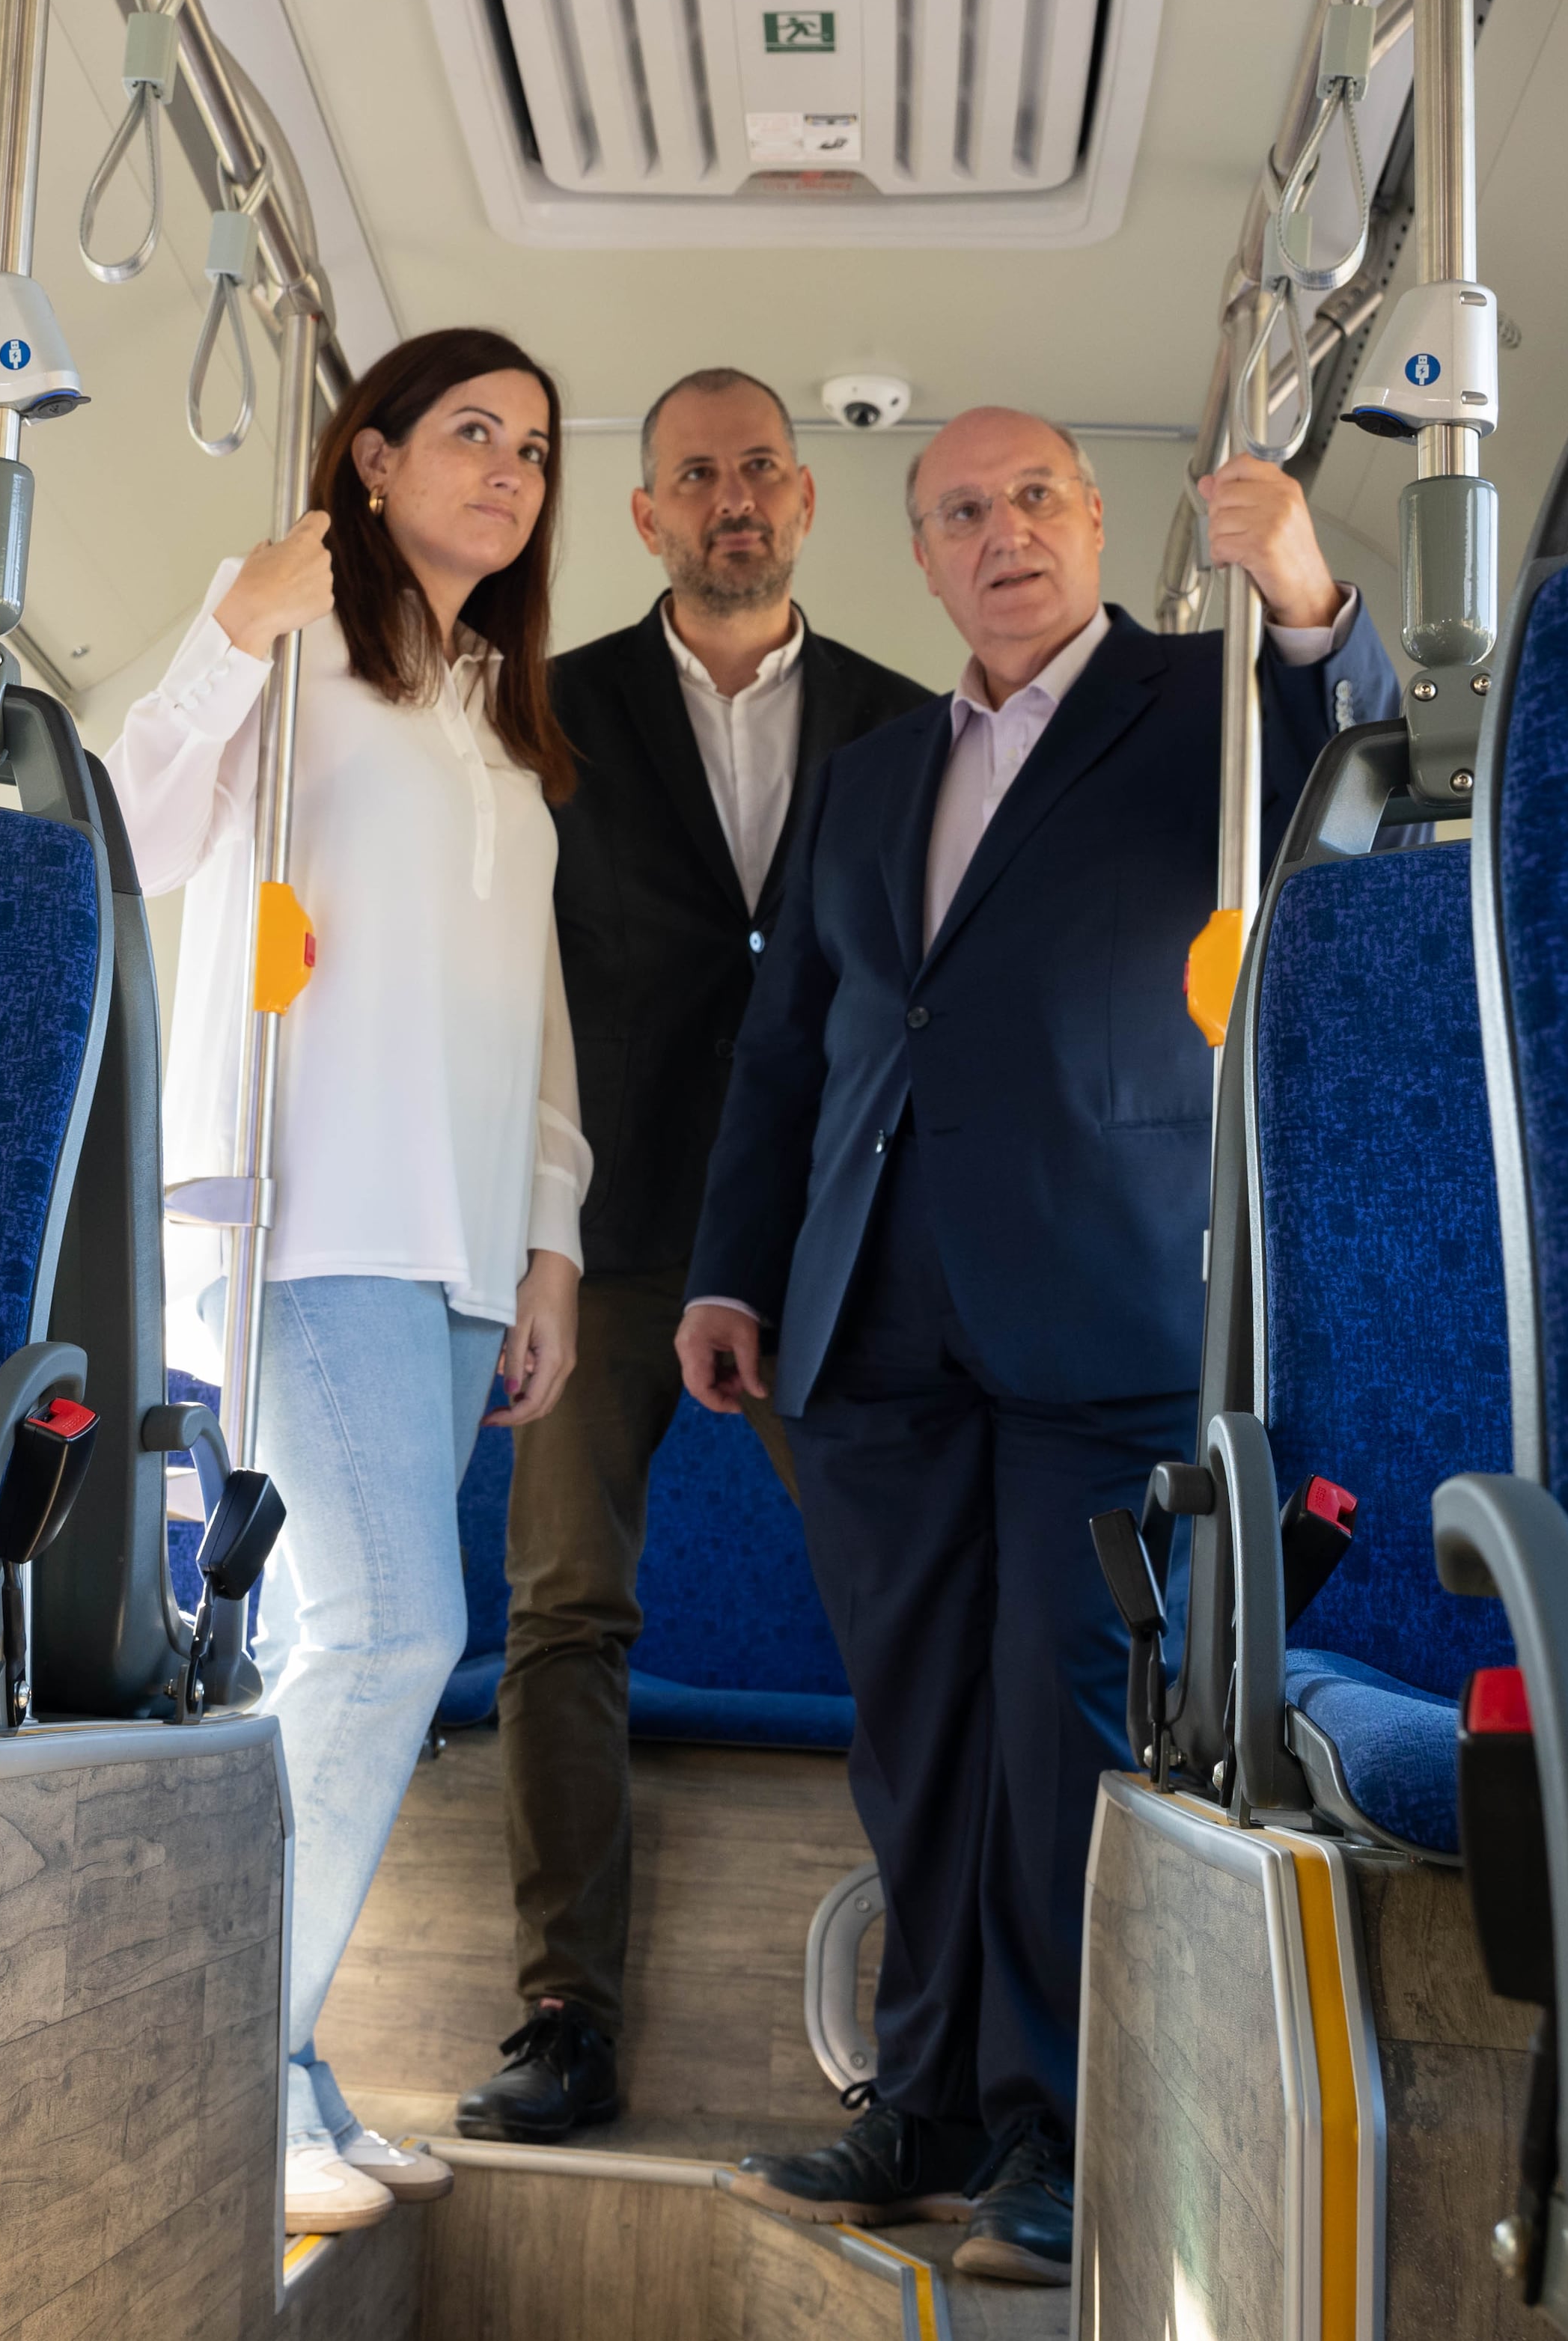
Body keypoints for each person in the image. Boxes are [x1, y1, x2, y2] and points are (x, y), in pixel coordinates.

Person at [680, 412, 1402, 2281]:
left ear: (1093, 522)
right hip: (873, 1312)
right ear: (916, 561)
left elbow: (1362, 776)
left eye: (1031, 502)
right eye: (957, 515)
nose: (998, 536)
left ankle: (1061, 2135)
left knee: (1068, 1720)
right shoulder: (865, 773)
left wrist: (1309, 595)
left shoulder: (1208, 700)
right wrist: (726, 1270)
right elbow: (794, 1048)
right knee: (914, 1732)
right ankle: (917, 2103)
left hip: (1102, 1294)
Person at [108, 327, 591, 2238]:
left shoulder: (501, 721)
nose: (508, 468)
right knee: (390, 1627)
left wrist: (552, 1237)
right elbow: (125, 833)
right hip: (306, 1213)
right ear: (370, 461)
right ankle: (220, 2063)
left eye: (536, 447)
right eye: (469, 432)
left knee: (350, 1639)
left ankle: (283, 2054)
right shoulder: (289, 651)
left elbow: (536, 1018)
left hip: (461, 1239)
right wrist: (232, 625)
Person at [456, 368, 927, 2143]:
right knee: (561, 1608)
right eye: (690, 477)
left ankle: (939, 2013)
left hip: (835, 1233)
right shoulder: (541, 714)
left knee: (905, 1611)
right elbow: (502, 980)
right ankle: (564, 2011)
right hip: (608, 1226)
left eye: (756, 472)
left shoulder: (904, 724)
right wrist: (527, 1230)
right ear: (642, 517)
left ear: (805, 502)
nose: (728, 499)